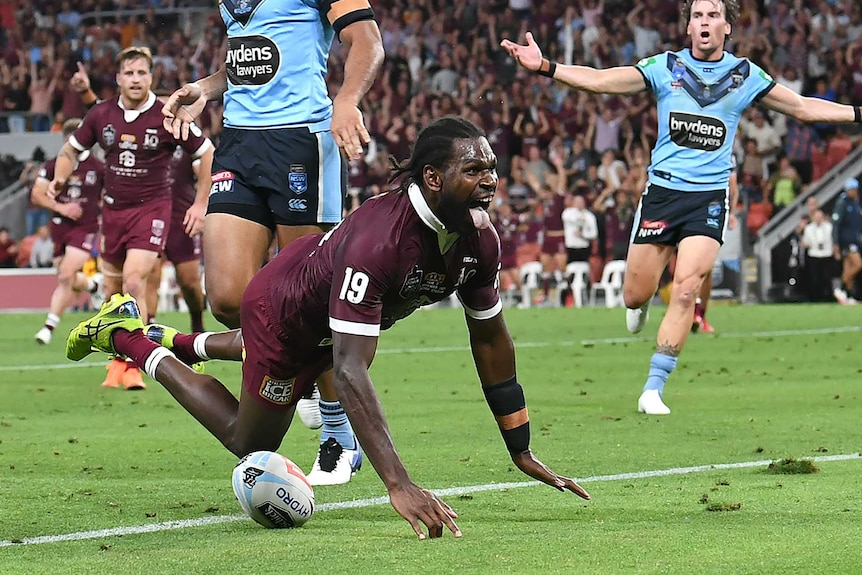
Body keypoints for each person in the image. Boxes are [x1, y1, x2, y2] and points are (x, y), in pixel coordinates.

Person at [65, 116, 590, 538]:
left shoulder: (481, 239)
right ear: (434, 178)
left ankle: (170, 336)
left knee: (322, 349)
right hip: (282, 313)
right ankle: (126, 337)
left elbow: (491, 338)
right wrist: (399, 484)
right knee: (249, 440)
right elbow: (349, 370)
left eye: (491, 168)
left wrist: (518, 445)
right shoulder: (380, 241)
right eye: (475, 170)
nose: (491, 180)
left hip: (326, 314)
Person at [502, 0, 862, 415]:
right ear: (688, 26)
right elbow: (601, 81)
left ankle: (653, 387)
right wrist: (546, 66)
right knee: (636, 294)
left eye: (713, 16)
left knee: (688, 286)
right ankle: (636, 304)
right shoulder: (664, 67)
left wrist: (856, 113)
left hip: (708, 198)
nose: (705, 22)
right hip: (663, 193)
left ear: (727, 27)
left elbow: (802, 107)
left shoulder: (745, 75)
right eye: (697, 16)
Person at [160, 0, 384, 483]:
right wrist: (205, 88)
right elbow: (248, 59)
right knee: (226, 298)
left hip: (302, 140)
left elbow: (367, 41)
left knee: (312, 297)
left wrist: (346, 101)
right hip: (239, 143)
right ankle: (297, 366)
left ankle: (337, 435)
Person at [49, 47, 214, 391]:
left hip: (154, 209)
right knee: (112, 290)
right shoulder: (101, 114)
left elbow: (206, 151)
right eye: (130, 73)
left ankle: (136, 362)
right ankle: (118, 363)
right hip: (113, 212)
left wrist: (200, 204)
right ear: (118, 78)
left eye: (142, 73)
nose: (136, 79)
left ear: (151, 77)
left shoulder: (167, 113)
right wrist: (61, 178)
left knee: (135, 280)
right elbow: (70, 151)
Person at [73, 63, 209, 333]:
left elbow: (203, 160)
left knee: (190, 281)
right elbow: (108, 115)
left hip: (180, 215)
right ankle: (146, 327)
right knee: (146, 276)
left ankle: (196, 321)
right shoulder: (137, 125)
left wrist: (201, 201)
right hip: (146, 213)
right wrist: (86, 92)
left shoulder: (179, 132)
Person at [32, 118, 105, 344]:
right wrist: (60, 207)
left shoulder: (98, 167)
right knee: (69, 277)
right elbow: (37, 195)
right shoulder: (52, 166)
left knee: (65, 275)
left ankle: (48, 327)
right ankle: (93, 285)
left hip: (86, 227)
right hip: (59, 227)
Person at [831, 178, 862, 305]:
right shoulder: (842, 203)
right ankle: (841, 288)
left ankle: (848, 296)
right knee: (858, 264)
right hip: (847, 241)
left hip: (854, 240)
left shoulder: (855, 203)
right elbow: (836, 224)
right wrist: (836, 243)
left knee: (847, 268)